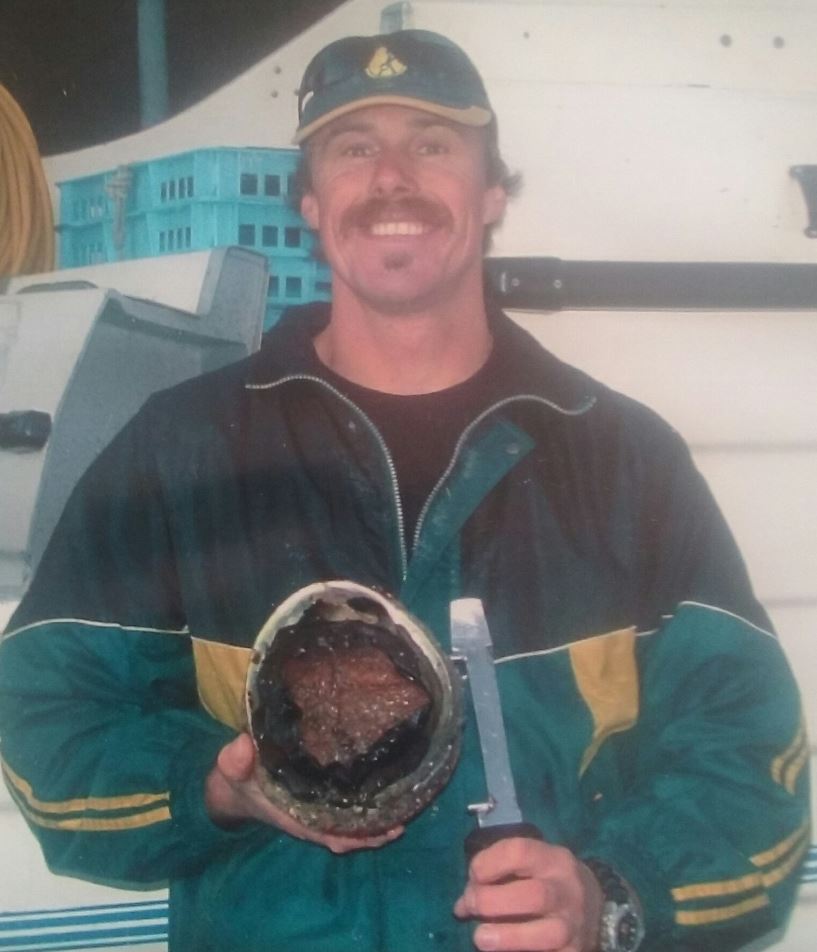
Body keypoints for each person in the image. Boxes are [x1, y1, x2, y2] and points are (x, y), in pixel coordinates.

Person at [0, 28, 808, 952]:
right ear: (308, 199)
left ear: (491, 190)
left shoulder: (623, 460)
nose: (391, 178)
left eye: (431, 143)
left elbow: (753, 764)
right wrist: (213, 789)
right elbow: (44, 722)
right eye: (352, 148)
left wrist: (609, 897)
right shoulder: (182, 450)